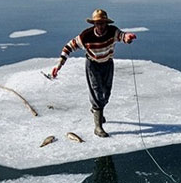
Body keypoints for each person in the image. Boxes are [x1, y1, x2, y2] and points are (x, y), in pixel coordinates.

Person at [51, 8, 136, 137]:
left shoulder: (112, 31)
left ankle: (97, 110)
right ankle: (98, 126)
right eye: (98, 23)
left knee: (106, 93)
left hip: (107, 63)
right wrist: (59, 66)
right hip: (93, 65)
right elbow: (69, 47)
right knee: (96, 92)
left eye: (102, 23)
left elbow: (122, 36)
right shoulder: (86, 36)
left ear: (106, 23)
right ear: (94, 24)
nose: (100, 26)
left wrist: (127, 38)